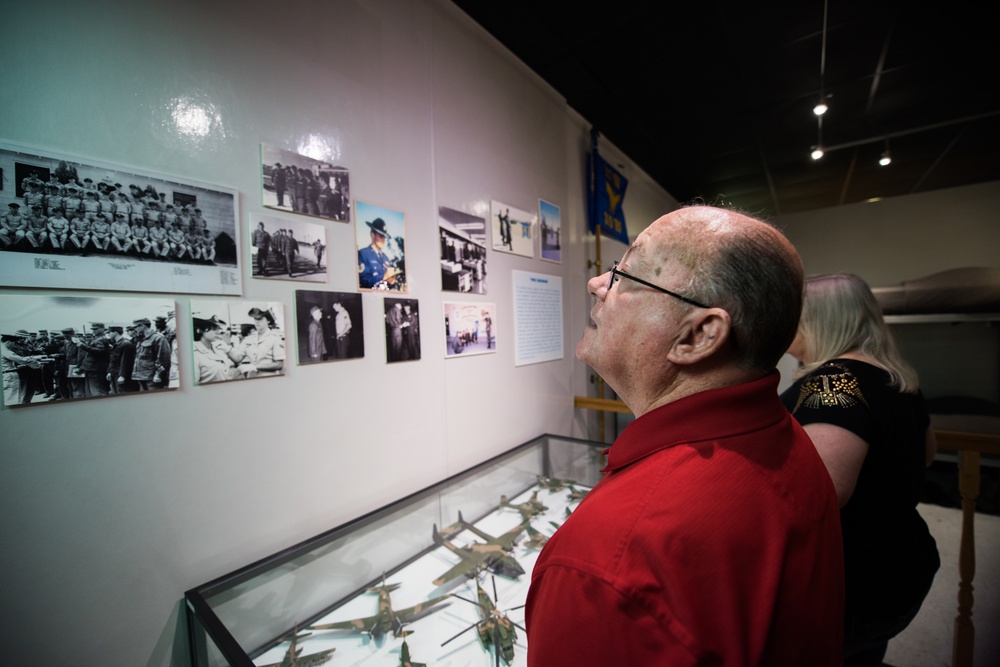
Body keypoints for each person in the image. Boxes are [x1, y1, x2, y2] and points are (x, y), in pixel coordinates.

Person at [525, 205, 845, 666]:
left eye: (626, 274)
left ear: (698, 336)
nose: (597, 283)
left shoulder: (609, 561)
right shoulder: (783, 436)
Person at [780, 273, 940, 666]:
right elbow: (928, 455)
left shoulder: (833, 382)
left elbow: (819, 495)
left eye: (795, 318)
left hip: (853, 580)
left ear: (822, 322)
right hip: (898, 566)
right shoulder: (897, 379)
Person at [239, 307, 284, 376]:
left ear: (268, 320)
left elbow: (279, 365)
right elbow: (238, 358)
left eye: (260, 319)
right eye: (255, 319)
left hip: (269, 378)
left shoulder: (275, 338)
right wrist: (226, 349)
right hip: (252, 377)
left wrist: (255, 367)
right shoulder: (249, 339)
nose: (257, 321)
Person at [358, 218, 400, 289]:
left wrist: (391, 281)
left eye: (384, 237)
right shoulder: (363, 254)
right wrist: (384, 277)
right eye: (381, 236)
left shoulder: (386, 258)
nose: (383, 240)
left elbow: (388, 284)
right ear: (373, 235)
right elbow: (363, 282)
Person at [131, 317, 171, 390]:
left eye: (136, 327)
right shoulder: (141, 338)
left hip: (152, 377)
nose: (135, 330)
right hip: (141, 376)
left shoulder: (158, 338)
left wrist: (158, 375)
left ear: (142, 326)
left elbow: (164, 359)